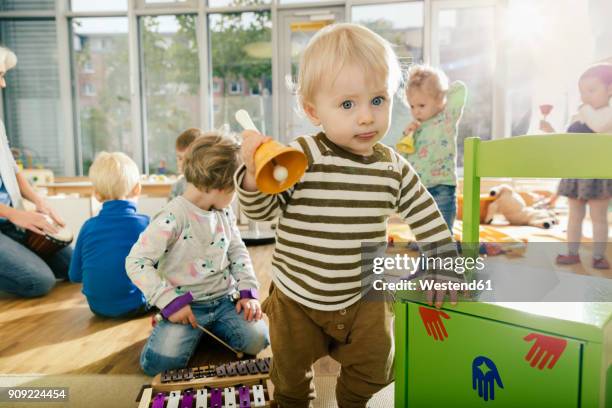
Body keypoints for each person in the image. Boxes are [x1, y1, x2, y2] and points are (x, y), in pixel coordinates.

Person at [237, 23, 460, 408]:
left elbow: (424, 211)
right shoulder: (302, 156)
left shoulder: (392, 166)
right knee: (289, 377)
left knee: (375, 369)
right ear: (312, 110)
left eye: (378, 100)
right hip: (297, 298)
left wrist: (443, 262)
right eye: (347, 104)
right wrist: (255, 179)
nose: (366, 118)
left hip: (362, 296)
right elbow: (261, 211)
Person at [127, 132, 269, 376]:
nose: (237, 194)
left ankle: (203, 331)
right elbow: (136, 262)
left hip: (225, 301)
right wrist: (169, 301)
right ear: (221, 186)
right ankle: (179, 326)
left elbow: (237, 250)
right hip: (186, 308)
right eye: (236, 187)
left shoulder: (224, 212)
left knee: (258, 340)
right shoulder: (172, 217)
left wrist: (248, 291)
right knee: (158, 366)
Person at [0, 46, 72, 297]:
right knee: (38, 281)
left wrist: (39, 202)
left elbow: (10, 166)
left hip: (9, 219)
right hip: (7, 217)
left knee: (72, 267)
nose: (4, 84)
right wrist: (13, 215)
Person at [540, 63, 612, 269]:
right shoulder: (580, 114)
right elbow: (567, 140)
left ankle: (598, 255)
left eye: (591, 90)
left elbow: (598, 126)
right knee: (574, 216)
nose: (585, 97)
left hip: (599, 174)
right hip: (576, 172)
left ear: (609, 90)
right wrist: (551, 131)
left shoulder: (606, 114)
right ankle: (572, 252)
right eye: (582, 92)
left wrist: (585, 108)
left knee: (598, 217)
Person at [69, 152, 149, 318]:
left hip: (96, 308)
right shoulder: (145, 224)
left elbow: (74, 275)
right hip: (135, 304)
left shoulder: (88, 226)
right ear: (137, 189)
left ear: (96, 194)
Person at [397, 65, 467, 230]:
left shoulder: (446, 119)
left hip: (442, 186)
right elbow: (403, 157)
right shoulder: (416, 129)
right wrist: (406, 137)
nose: (416, 111)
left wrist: (440, 94)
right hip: (420, 190)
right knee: (424, 231)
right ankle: (427, 254)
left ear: (438, 100)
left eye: (421, 105)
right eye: (412, 106)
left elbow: (460, 89)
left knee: (442, 230)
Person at [169, 128, 202, 200]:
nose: (183, 164)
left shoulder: (208, 188)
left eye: (188, 159)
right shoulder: (177, 187)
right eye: (180, 158)